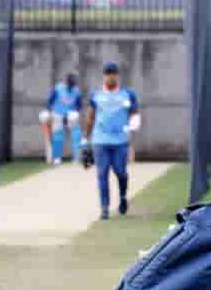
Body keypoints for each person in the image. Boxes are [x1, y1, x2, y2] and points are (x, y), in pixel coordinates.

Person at [82, 62, 141, 220]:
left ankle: (122, 196)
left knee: (120, 172)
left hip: (120, 141)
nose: (110, 77)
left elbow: (135, 113)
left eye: (113, 73)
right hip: (100, 140)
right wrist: (85, 140)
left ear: (117, 76)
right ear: (103, 76)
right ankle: (105, 208)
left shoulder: (127, 94)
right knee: (102, 173)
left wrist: (133, 127)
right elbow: (90, 117)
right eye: (107, 74)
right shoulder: (97, 95)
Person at [41, 73, 83, 165]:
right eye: (69, 84)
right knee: (58, 136)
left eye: (72, 84)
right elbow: (50, 101)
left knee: (76, 135)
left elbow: (79, 105)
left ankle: (77, 158)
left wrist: (75, 112)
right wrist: (48, 111)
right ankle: (57, 158)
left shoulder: (77, 91)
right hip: (57, 114)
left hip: (70, 115)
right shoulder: (58, 88)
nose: (70, 87)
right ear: (66, 82)